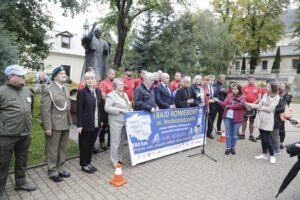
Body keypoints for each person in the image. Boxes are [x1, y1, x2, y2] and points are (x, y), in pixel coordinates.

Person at [0, 65, 36, 199]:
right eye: (20, 76)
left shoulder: (27, 91)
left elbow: (29, 109)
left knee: (22, 160)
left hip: (25, 134)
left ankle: (20, 183)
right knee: (2, 164)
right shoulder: (1, 92)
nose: (23, 78)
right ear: (11, 77)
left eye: (23, 75)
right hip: (6, 136)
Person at [41, 66, 72, 182]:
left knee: (63, 148)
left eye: (65, 73)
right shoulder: (48, 89)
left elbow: (67, 105)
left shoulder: (66, 88)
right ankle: (52, 171)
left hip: (65, 122)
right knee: (52, 149)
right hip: (54, 124)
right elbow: (45, 110)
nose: (64, 75)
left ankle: (61, 168)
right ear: (55, 76)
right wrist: (47, 127)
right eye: (61, 73)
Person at [76, 71, 104, 173]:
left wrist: (100, 120)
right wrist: (79, 125)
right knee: (84, 145)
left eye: (92, 78)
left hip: (96, 123)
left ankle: (88, 163)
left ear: (95, 80)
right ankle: (84, 164)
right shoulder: (82, 92)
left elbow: (99, 107)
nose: (90, 80)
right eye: (87, 78)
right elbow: (79, 110)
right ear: (85, 80)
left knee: (91, 145)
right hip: (86, 123)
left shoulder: (97, 91)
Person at [246, 83, 280, 164]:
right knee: (262, 138)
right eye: (266, 86)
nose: (266, 87)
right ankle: (264, 154)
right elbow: (259, 104)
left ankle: (272, 156)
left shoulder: (277, 97)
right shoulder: (265, 94)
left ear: (272, 88)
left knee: (267, 139)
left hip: (268, 119)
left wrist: (259, 107)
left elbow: (270, 109)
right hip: (260, 117)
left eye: (268, 86)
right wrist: (250, 105)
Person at [105, 78, 131, 166]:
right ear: (115, 86)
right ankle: (114, 161)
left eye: (123, 84)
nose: (122, 86)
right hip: (115, 121)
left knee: (121, 142)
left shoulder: (125, 94)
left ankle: (119, 158)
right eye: (120, 85)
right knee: (115, 142)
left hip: (125, 120)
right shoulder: (111, 95)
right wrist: (120, 110)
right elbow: (107, 108)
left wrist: (129, 109)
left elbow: (127, 105)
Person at [214, 84, 245, 155]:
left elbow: (239, 105)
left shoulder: (242, 97)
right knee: (228, 133)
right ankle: (228, 148)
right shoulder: (229, 95)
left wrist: (229, 106)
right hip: (227, 117)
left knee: (234, 134)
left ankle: (232, 147)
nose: (233, 90)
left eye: (236, 89)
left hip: (237, 118)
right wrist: (218, 101)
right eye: (233, 89)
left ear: (239, 90)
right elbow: (224, 104)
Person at [96, 68, 116, 152]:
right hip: (104, 108)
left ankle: (110, 143)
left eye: (115, 74)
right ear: (108, 74)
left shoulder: (113, 83)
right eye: (113, 74)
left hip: (112, 108)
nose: (114, 76)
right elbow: (103, 96)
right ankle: (102, 142)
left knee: (111, 125)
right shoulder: (103, 83)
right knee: (103, 126)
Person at [240, 76, 262, 142]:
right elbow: (242, 96)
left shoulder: (258, 88)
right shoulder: (244, 87)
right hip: (245, 106)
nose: (250, 81)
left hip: (253, 106)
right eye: (249, 80)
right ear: (248, 80)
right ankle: (243, 134)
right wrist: (246, 104)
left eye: (252, 80)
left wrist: (252, 105)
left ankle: (251, 135)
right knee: (244, 120)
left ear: (254, 80)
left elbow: (259, 98)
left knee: (252, 121)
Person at [271, 87, 285, 156]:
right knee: (271, 135)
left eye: (276, 90)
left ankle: (277, 150)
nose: (273, 91)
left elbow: (282, 109)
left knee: (275, 135)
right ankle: (273, 148)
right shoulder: (273, 98)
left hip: (276, 120)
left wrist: (273, 109)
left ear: (279, 91)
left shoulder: (281, 99)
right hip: (271, 119)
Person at [279, 83, 293, 149]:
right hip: (277, 113)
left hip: (284, 113)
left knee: (281, 128)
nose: (281, 87)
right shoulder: (277, 93)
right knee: (276, 128)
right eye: (281, 86)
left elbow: (287, 102)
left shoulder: (288, 95)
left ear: (286, 87)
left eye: (283, 86)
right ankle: (275, 142)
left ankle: (281, 143)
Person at [206, 75, 218, 139]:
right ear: (208, 80)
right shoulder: (204, 87)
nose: (212, 81)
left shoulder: (215, 88)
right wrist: (208, 100)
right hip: (206, 105)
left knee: (212, 119)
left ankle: (209, 133)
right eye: (210, 80)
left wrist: (213, 100)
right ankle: (202, 132)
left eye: (213, 80)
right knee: (204, 119)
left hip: (213, 106)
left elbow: (216, 97)